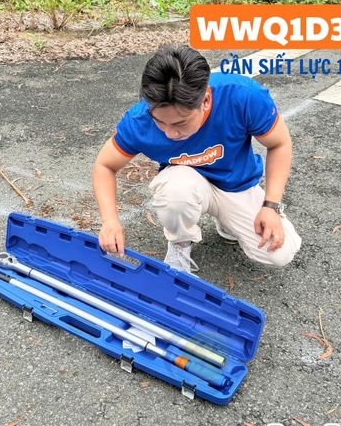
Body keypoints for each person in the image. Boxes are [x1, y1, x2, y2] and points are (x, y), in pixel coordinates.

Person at [92, 45, 301, 273]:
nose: (170, 133)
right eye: (160, 121)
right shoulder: (138, 121)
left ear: (206, 100)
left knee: (280, 252)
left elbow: (279, 144)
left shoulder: (242, 96)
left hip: (236, 185)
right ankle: (180, 242)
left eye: (180, 123)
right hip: (185, 184)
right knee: (176, 190)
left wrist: (271, 206)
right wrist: (110, 221)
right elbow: (105, 165)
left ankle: (228, 222)